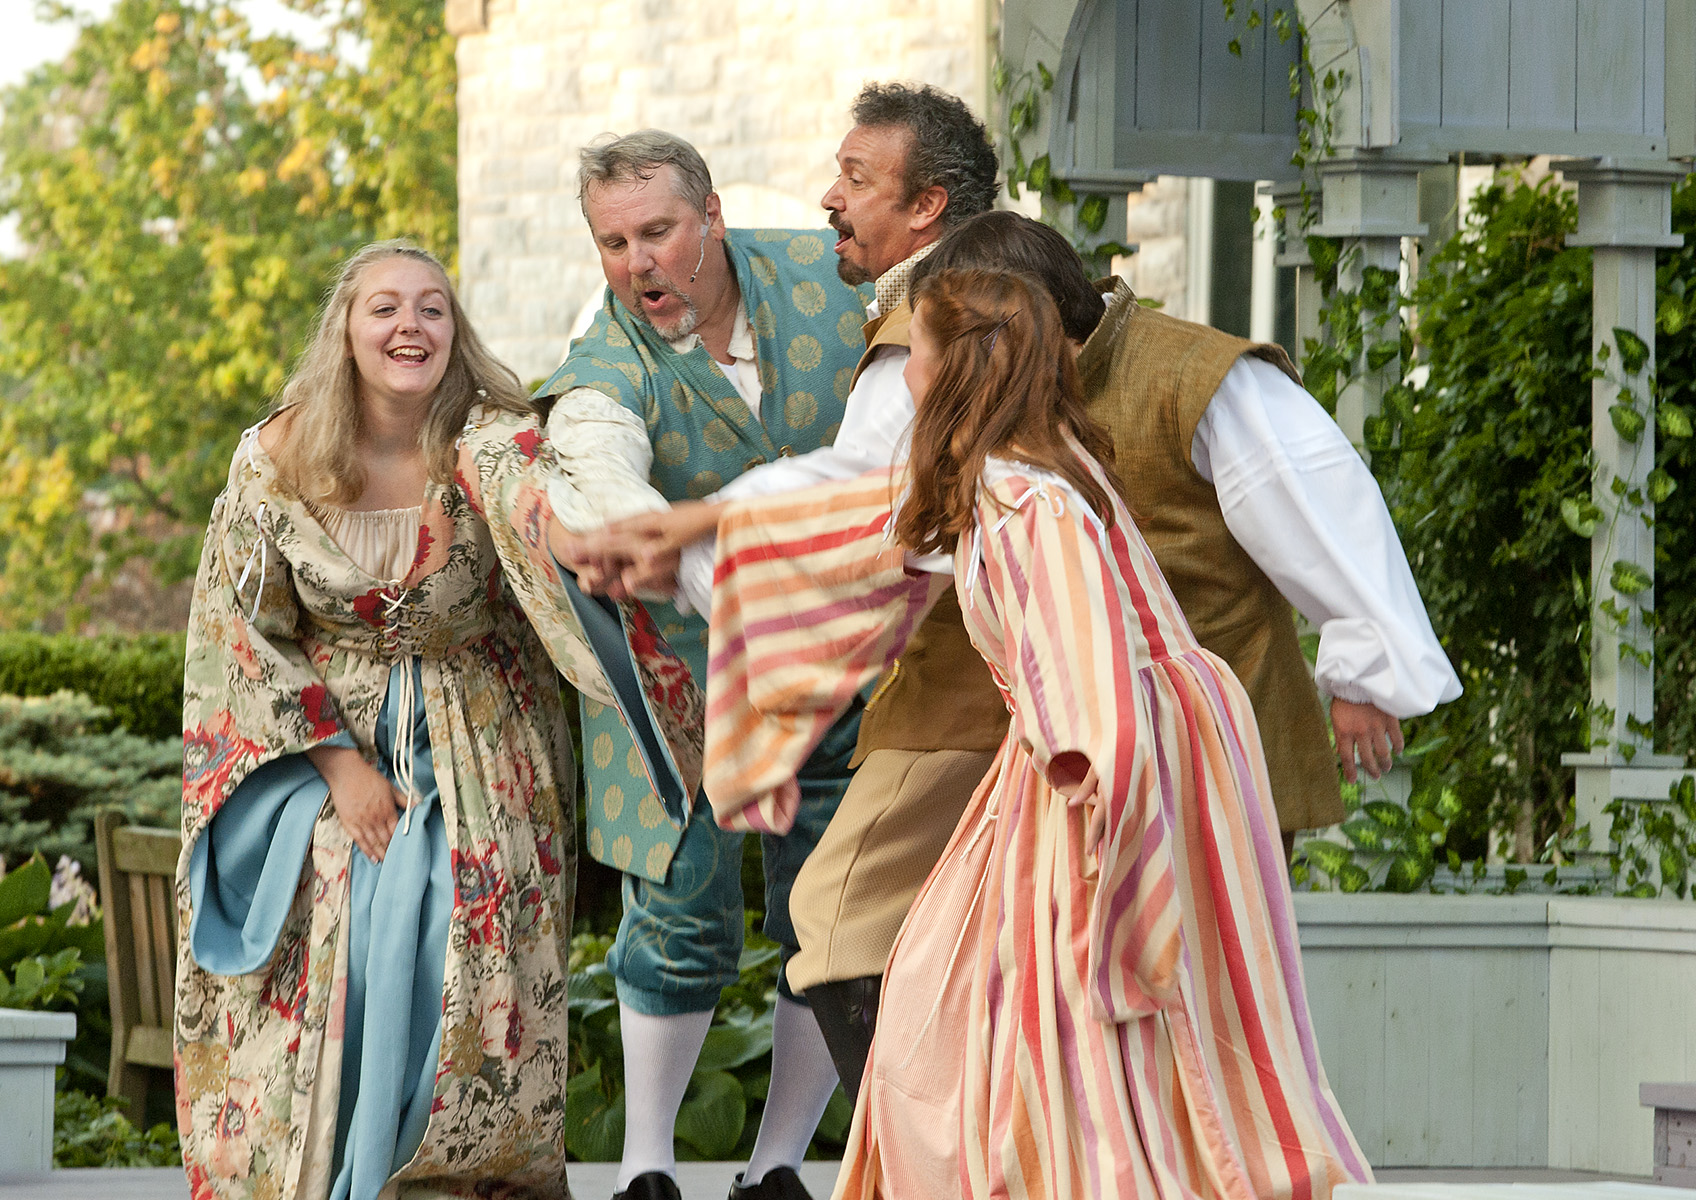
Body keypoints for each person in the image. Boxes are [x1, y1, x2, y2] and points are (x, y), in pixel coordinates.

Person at [696, 267, 1373, 1199]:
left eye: (916, 354)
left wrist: (1102, 817)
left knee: (1026, 997)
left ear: (959, 369)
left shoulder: (1023, 500)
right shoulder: (1036, 471)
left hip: (1087, 760)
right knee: (1002, 992)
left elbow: (1084, 673)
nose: (904, 374)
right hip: (1107, 748)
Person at [593, 82, 1004, 1101]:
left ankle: (915, 1161)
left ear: (927, 207)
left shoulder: (943, 313)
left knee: (841, 913)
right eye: (616, 241)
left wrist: (688, 533)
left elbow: (871, 500)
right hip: (991, 679)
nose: (830, 195)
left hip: (971, 687)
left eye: (857, 177)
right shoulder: (947, 293)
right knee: (885, 922)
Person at [176, 241, 603, 1200]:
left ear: (455, 332)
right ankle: (333, 1167)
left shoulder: (490, 441)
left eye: (432, 309)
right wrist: (338, 766)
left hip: (479, 749)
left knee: (453, 920)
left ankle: (436, 1177)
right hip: (322, 747)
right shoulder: (279, 455)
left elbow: (559, 549)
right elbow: (238, 630)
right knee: (351, 913)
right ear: (347, 329)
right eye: (385, 309)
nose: (410, 326)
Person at [538, 130, 873, 1200]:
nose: (638, 264)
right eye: (613, 242)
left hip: (851, 653)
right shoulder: (604, 368)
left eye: (658, 232)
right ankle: (647, 1169)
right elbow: (600, 469)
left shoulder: (832, 277)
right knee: (680, 899)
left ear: (712, 216)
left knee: (833, 903)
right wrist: (689, 562)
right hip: (678, 663)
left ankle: (777, 1168)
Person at [911, 211, 1461, 855]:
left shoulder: (1195, 375)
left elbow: (1322, 503)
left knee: (1219, 948)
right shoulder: (1004, 409)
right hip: (1102, 763)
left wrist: (1366, 671)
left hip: (1223, 741)